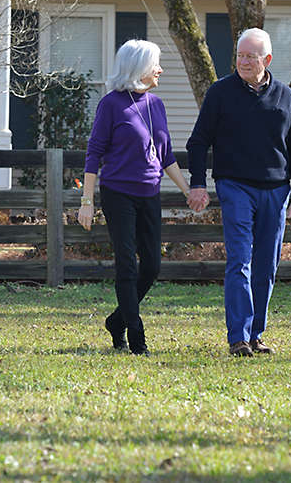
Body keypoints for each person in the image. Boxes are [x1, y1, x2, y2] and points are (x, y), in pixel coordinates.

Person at [186, 27, 291, 357]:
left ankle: (256, 334)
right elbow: (197, 142)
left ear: (267, 60)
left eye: (250, 57)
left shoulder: (287, 98)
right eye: (239, 55)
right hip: (235, 186)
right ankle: (237, 337)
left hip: (276, 191)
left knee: (266, 264)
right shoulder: (220, 94)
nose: (243, 61)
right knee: (240, 260)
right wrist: (198, 184)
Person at [79, 39, 191, 356]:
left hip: (149, 193)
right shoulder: (111, 104)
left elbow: (166, 155)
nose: (160, 70)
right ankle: (136, 336)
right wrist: (86, 203)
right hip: (117, 194)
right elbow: (93, 155)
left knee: (152, 266)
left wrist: (188, 191)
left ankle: (116, 321)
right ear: (140, 68)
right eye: (156, 63)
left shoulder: (156, 105)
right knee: (127, 264)